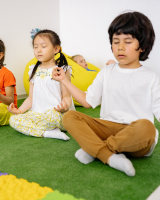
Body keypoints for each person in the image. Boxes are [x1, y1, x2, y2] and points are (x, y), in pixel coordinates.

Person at [52, 11, 158, 176]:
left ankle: (95, 149)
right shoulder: (106, 71)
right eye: (116, 42)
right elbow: (88, 102)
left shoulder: (152, 77)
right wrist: (64, 81)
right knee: (70, 116)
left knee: (147, 127)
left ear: (143, 46)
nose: (120, 47)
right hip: (107, 127)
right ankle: (108, 156)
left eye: (128, 42)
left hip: (135, 135)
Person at [8, 29, 74, 140]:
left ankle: (47, 128)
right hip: (38, 114)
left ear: (56, 49)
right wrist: (19, 111)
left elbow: (67, 96)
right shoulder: (33, 70)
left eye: (43, 46)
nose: (39, 50)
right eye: (35, 47)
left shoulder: (62, 69)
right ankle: (48, 133)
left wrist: (65, 106)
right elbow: (31, 98)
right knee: (13, 120)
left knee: (52, 117)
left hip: (57, 114)